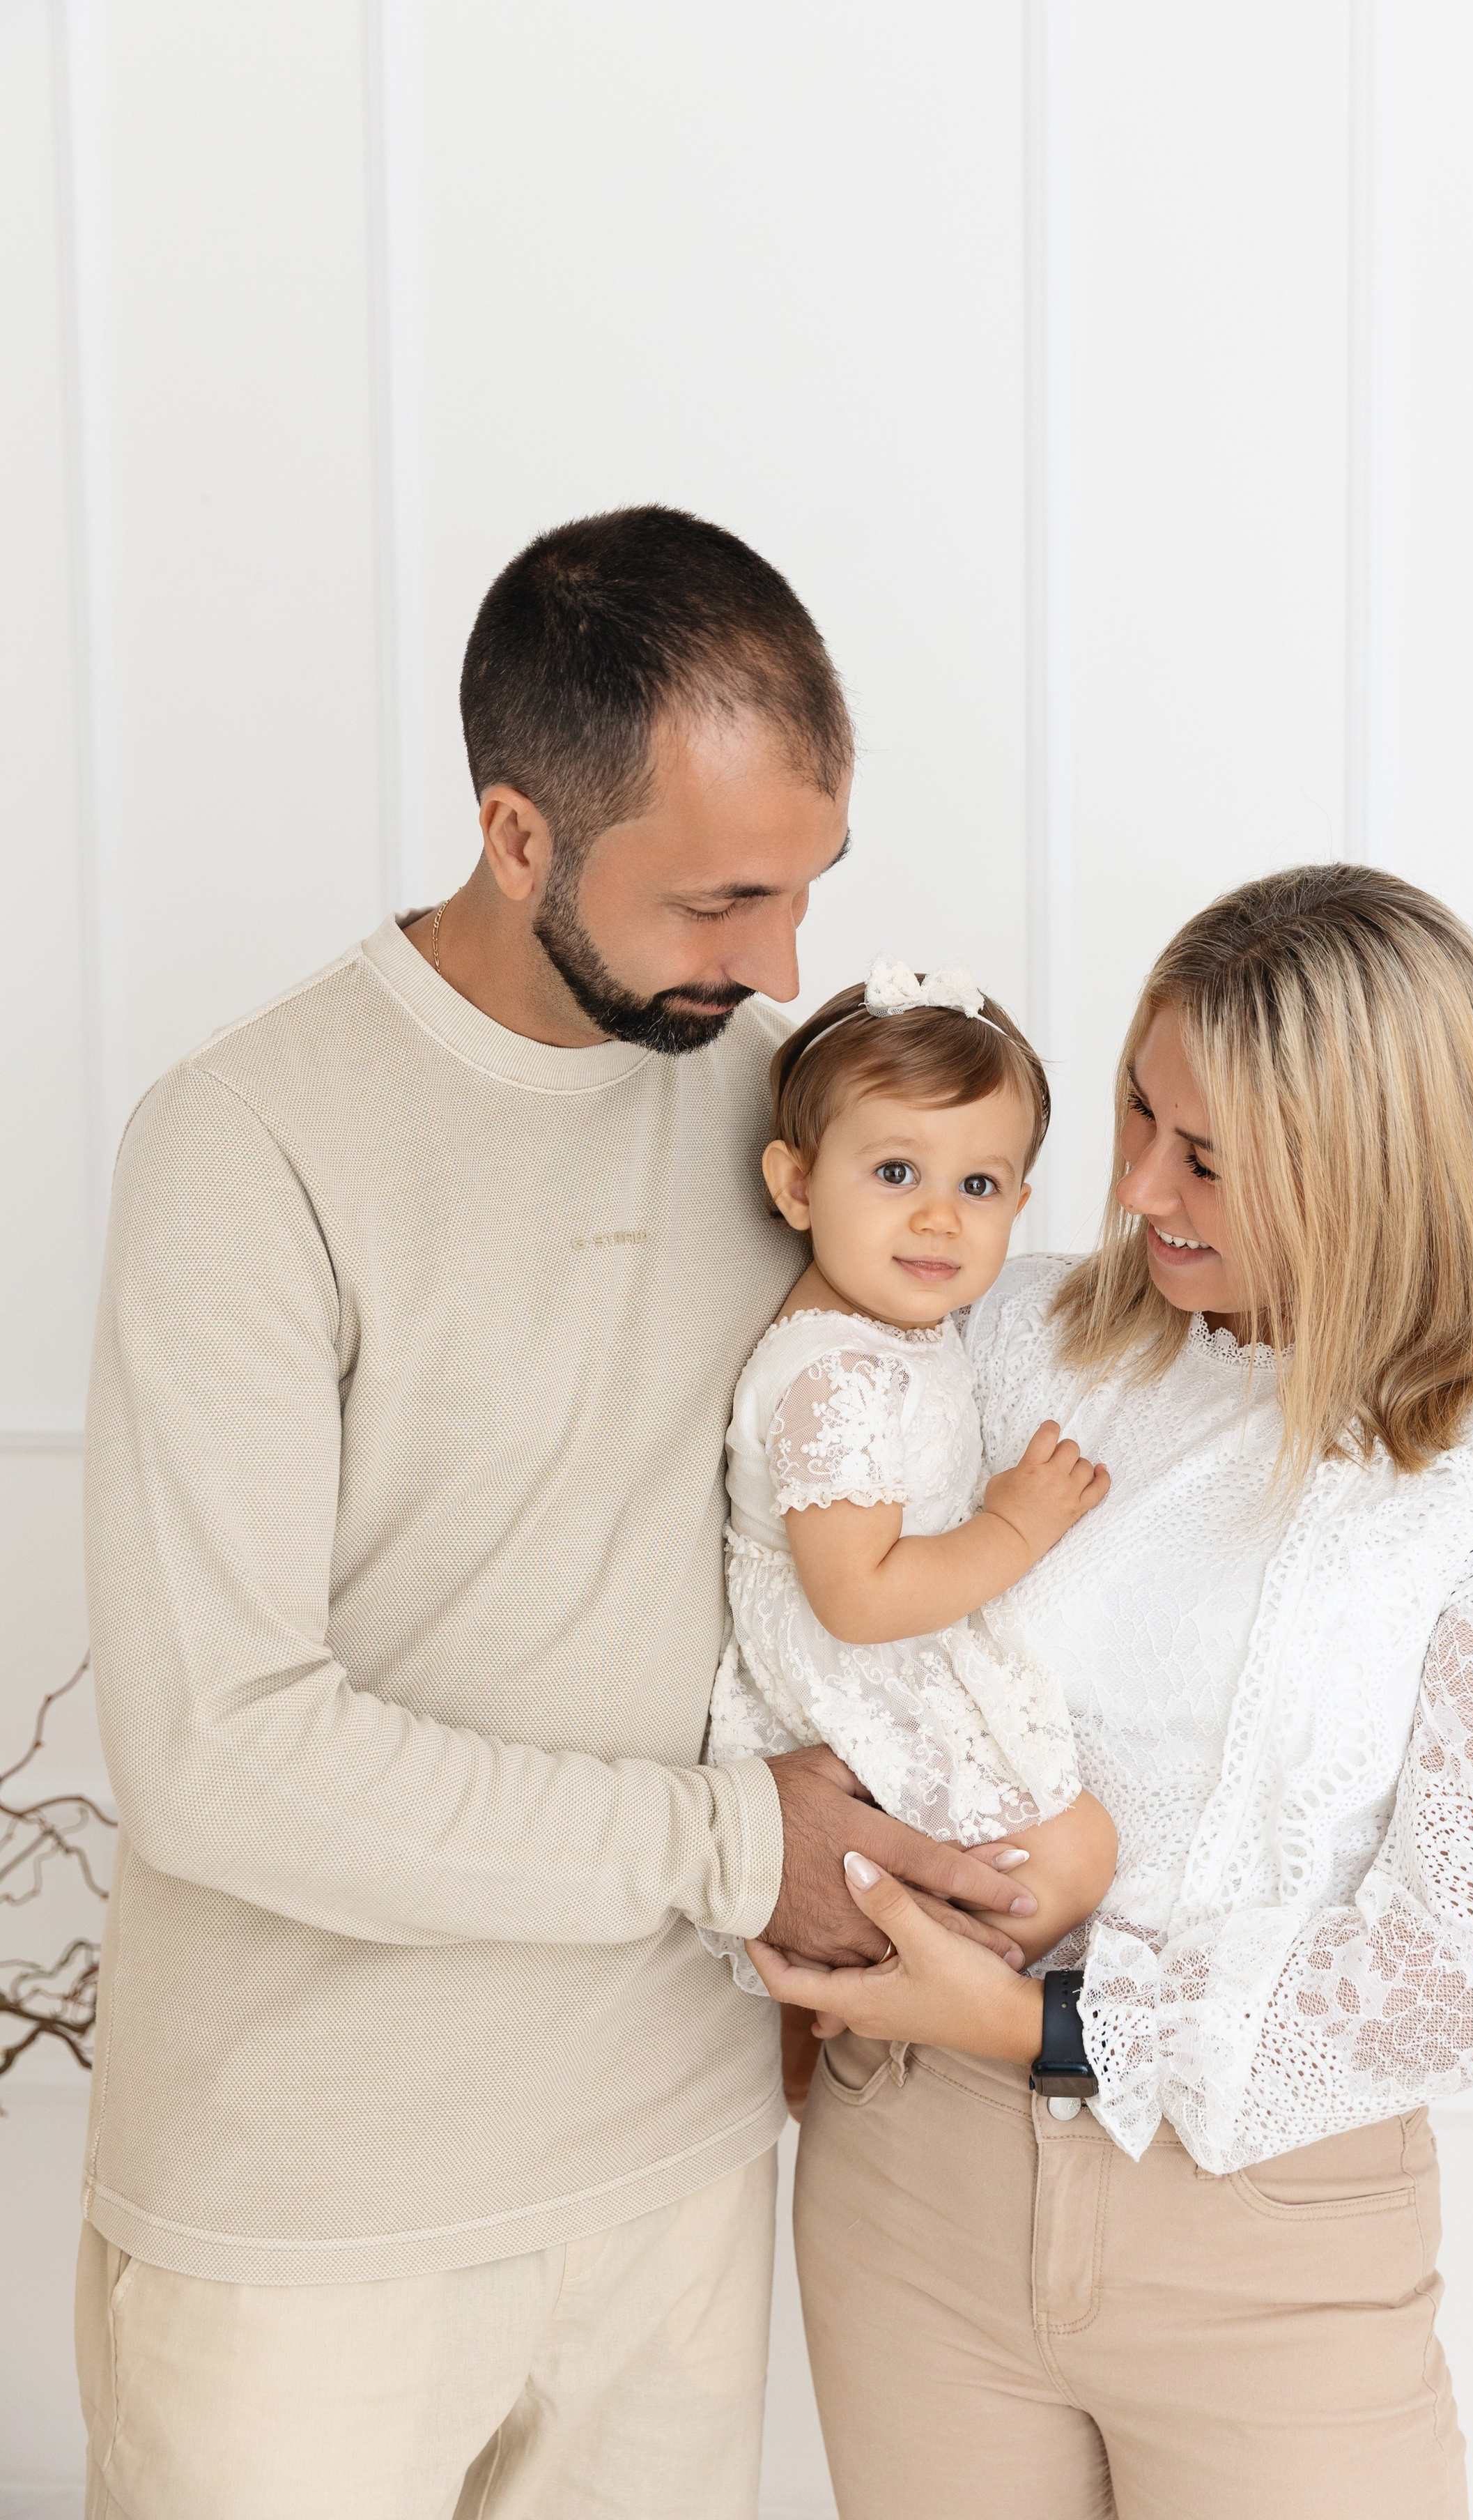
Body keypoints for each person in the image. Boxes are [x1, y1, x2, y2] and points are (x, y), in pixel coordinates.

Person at [75, 505, 1035, 2520]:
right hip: (312, 2215)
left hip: (676, 2181)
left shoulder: (789, 1125)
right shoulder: (242, 1149)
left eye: (809, 889)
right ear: (519, 834)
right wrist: (726, 1842)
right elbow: (220, 1760)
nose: (782, 967)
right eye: (718, 902)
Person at [753, 864, 1473, 2520]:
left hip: (1268, 2237)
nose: (1138, 1186)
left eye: (1208, 1158)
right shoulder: (1005, 1334)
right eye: (1136, 1119)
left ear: (1371, 1168)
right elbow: (810, 1607)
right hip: (913, 2185)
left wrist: (1041, 2023)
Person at [704, 960, 1118, 2024]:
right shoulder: (835, 1375)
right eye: (896, 1172)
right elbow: (860, 1597)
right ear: (795, 1185)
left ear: (1018, 1204)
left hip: (900, 1662)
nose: (939, 1219)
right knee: (1069, 1857)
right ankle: (887, 1988)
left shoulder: (894, 1330)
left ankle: (880, 1985)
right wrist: (1016, 1526)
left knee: (1071, 1850)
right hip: (855, 1678)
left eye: (977, 1188)